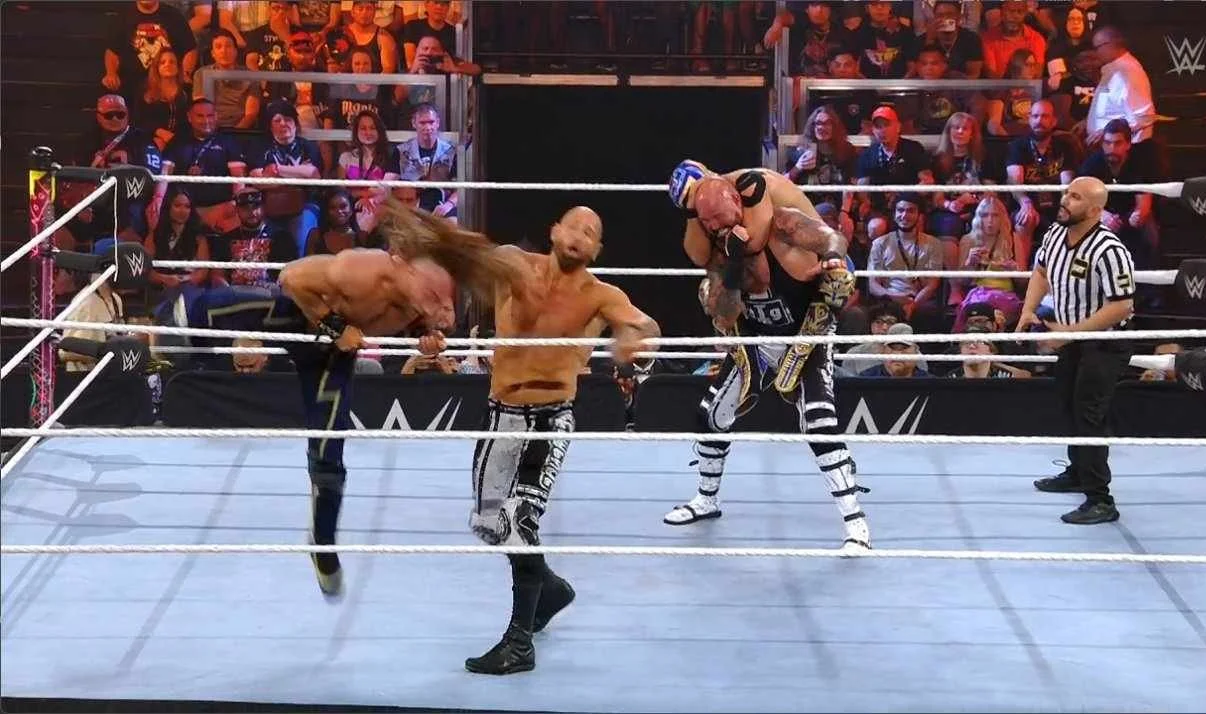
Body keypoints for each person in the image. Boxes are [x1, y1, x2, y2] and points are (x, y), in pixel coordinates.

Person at [164, 200, 525, 598]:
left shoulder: (422, 292)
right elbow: (290, 277)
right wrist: (335, 325)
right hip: (296, 316)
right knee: (212, 311)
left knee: (329, 453)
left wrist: (424, 338)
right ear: (404, 268)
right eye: (434, 296)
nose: (441, 308)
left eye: (444, 299)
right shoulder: (362, 270)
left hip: (332, 354)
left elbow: (427, 326)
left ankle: (322, 544)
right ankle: (174, 321)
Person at [390, 202, 660, 675]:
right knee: (490, 524)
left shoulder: (600, 295)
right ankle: (549, 589)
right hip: (500, 414)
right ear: (554, 231)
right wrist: (427, 326)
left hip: (550, 418)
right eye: (573, 225)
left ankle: (519, 643)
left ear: (596, 249)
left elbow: (644, 325)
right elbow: (459, 257)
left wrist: (636, 344)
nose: (579, 235)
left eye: (590, 232)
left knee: (520, 519)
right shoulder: (513, 265)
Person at [662, 160, 870, 552]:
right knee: (710, 414)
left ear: (738, 203)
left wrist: (832, 258)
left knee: (819, 423)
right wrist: (731, 267)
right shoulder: (720, 255)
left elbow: (831, 237)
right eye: (711, 224)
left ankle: (856, 524)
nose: (720, 227)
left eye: (724, 218)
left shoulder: (782, 225)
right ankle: (706, 499)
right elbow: (725, 315)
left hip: (805, 333)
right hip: (755, 341)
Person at [1017, 176, 1135, 525]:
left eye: (1076, 197)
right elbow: (1041, 272)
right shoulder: (1055, 234)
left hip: (1105, 342)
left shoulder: (1109, 249)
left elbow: (1122, 306)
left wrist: (1069, 333)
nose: (1065, 200)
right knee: (1068, 406)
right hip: (1071, 338)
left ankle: (1101, 499)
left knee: (1089, 413)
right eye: (1067, 193)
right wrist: (1028, 309)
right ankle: (1078, 472)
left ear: (1095, 210)